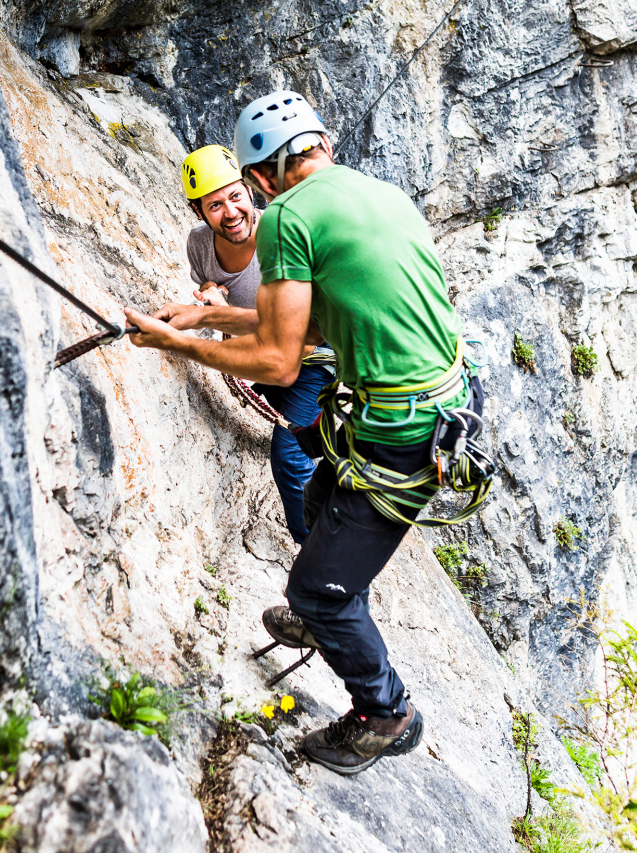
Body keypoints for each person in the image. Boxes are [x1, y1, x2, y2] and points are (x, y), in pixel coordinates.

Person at [124, 90, 487, 775]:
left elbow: (277, 359)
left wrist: (178, 344)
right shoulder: (381, 195)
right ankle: (333, 613)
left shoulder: (286, 217)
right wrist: (199, 321)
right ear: (320, 143)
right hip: (440, 402)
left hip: (401, 428)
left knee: (315, 590)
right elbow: (315, 328)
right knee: (320, 486)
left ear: (260, 179)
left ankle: (383, 713)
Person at [152, 143, 333, 545]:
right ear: (199, 212)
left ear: (251, 191)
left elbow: (304, 334)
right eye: (214, 206)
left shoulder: (282, 235)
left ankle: (317, 557)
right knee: (308, 440)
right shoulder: (199, 244)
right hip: (264, 352)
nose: (230, 213)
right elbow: (209, 281)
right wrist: (212, 291)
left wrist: (216, 320)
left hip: (312, 356)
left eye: (235, 197)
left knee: (290, 458)